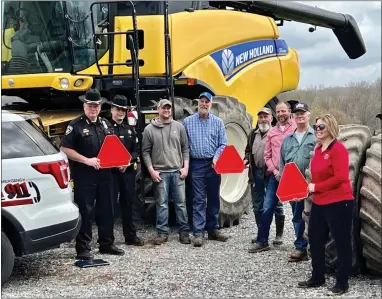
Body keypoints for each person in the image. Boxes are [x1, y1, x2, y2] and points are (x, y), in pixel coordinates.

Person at [60, 88, 124, 260]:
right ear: (84, 106)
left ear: (100, 106)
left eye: (96, 106)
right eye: (90, 106)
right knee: (86, 211)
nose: (93, 109)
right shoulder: (76, 125)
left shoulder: (105, 124)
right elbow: (65, 148)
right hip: (85, 174)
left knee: (107, 210)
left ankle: (106, 243)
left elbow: (112, 146)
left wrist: (120, 160)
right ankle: (83, 248)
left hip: (105, 174)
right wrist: (86, 160)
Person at [298, 114, 354, 296]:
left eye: (321, 127)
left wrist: (316, 186)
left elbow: (341, 178)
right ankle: (317, 277)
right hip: (320, 202)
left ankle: (342, 283)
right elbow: (317, 176)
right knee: (315, 240)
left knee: (341, 243)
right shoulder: (318, 150)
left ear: (330, 127)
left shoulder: (338, 150)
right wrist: (309, 188)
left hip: (339, 202)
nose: (318, 130)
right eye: (315, 127)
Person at [141, 99, 192, 245]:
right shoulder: (149, 130)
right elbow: (145, 152)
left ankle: (184, 232)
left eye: (169, 108)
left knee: (181, 204)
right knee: (162, 204)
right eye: (164, 108)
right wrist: (151, 171)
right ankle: (162, 233)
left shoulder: (179, 127)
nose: (167, 110)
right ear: (158, 109)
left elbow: (185, 148)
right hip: (161, 173)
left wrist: (185, 167)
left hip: (177, 172)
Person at [249, 101, 296, 253]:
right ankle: (262, 241)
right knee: (267, 206)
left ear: (289, 111)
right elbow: (267, 154)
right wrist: (274, 170)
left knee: (296, 209)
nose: (281, 114)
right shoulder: (271, 132)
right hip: (273, 174)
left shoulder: (296, 128)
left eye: (283, 111)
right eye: (279, 111)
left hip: (292, 175)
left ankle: (301, 245)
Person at [183, 92, 229, 247]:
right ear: (198, 103)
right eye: (201, 101)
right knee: (198, 199)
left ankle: (213, 229)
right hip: (196, 164)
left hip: (214, 164)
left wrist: (216, 158)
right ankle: (198, 233)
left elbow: (223, 143)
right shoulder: (187, 122)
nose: (204, 104)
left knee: (214, 197)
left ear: (211, 104)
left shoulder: (218, 122)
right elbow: (184, 145)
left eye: (206, 102)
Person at [279, 102, 316, 262]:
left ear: (309, 115)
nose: (300, 116)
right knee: (297, 216)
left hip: (312, 183)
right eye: (297, 113)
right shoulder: (288, 139)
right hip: (293, 184)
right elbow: (282, 162)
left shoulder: (315, 136)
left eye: (303, 113)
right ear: (293, 117)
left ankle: (315, 247)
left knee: (313, 216)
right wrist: (283, 180)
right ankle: (301, 247)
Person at [243, 107, 285, 245]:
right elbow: (248, 150)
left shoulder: (275, 133)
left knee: (276, 204)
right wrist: (246, 159)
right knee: (257, 206)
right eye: (260, 117)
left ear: (271, 118)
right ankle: (261, 233)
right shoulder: (252, 134)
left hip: (271, 174)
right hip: (256, 173)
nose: (263, 119)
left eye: (265, 116)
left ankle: (279, 234)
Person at [107, 94, 144, 247]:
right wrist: (115, 164)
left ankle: (130, 236)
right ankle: (108, 240)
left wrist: (127, 162)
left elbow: (136, 151)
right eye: (118, 110)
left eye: (123, 110)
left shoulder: (130, 130)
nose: (120, 113)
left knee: (128, 204)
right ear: (111, 110)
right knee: (108, 206)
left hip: (127, 173)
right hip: (111, 173)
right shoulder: (106, 129)